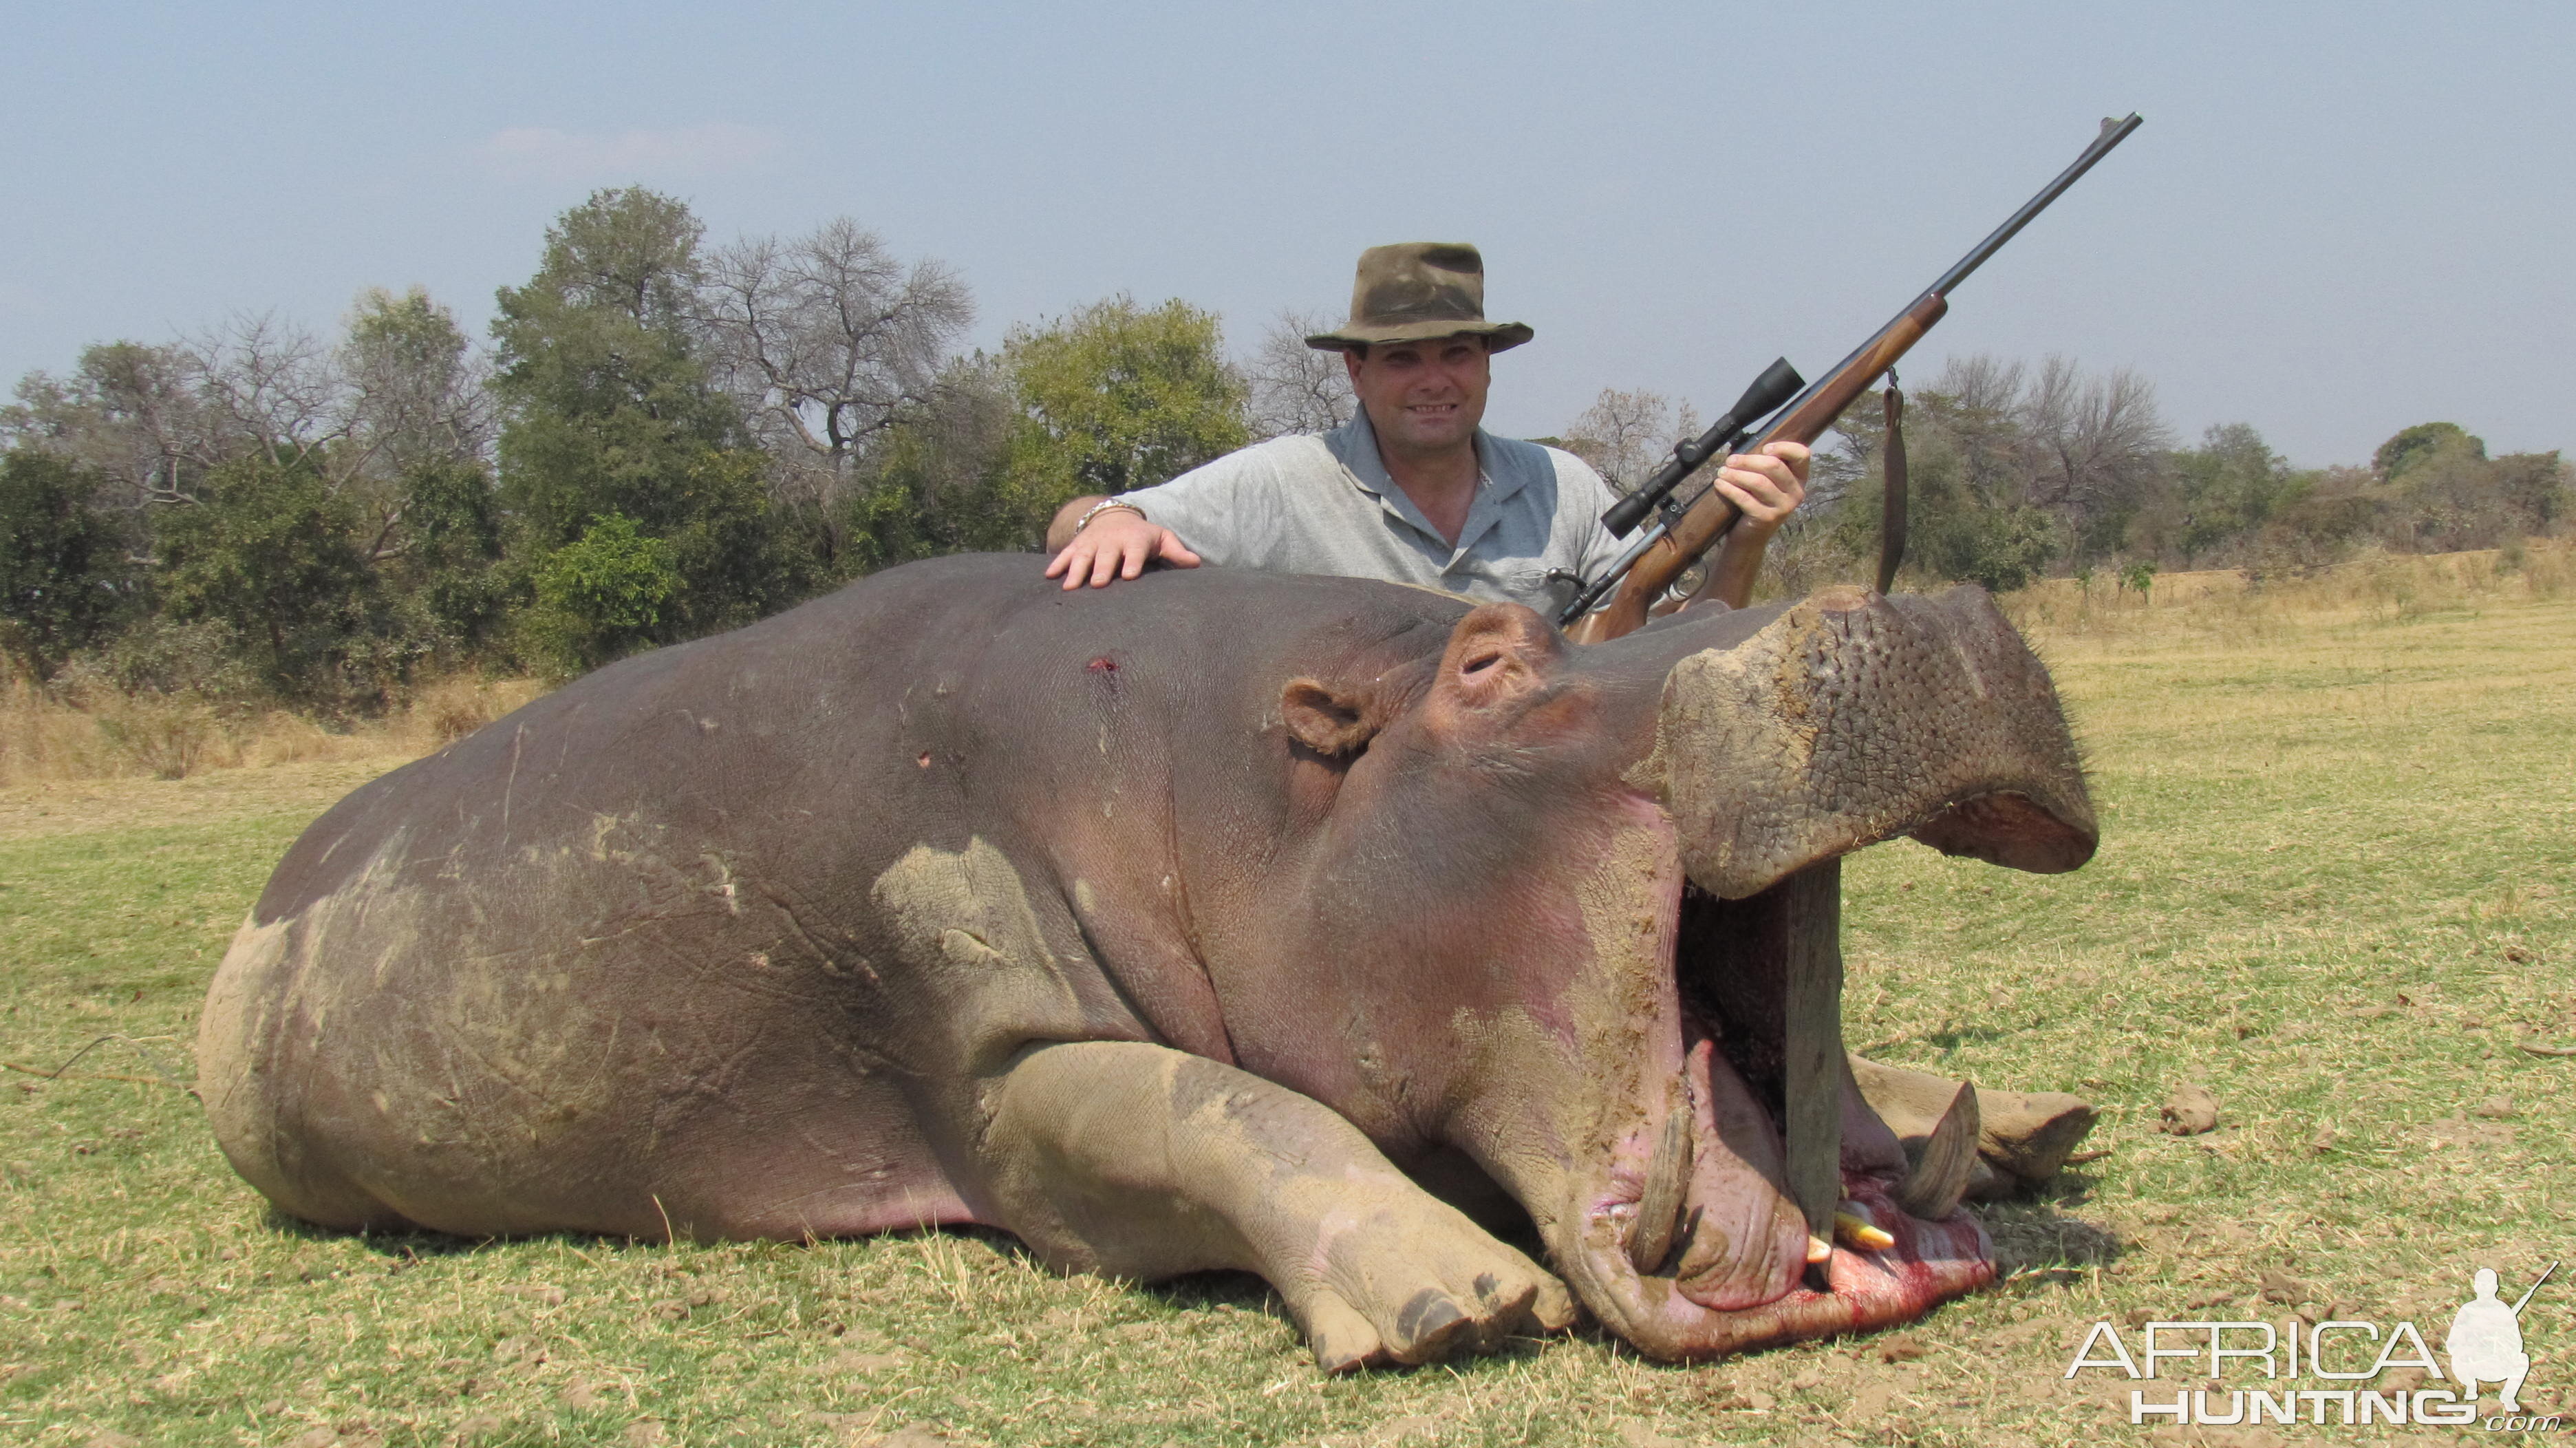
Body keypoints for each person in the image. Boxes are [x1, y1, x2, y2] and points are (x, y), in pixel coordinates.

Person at [1041, 242, 1810, 618]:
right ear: (1356, 371)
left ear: (1486, 364)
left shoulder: (1561, 485)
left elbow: (1661, 650)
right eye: (1404, 358)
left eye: (1456, 353)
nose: (1434, 380)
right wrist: (1112, 520)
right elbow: (1072, 525)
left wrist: (1743, 540)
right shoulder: (1282, 480)